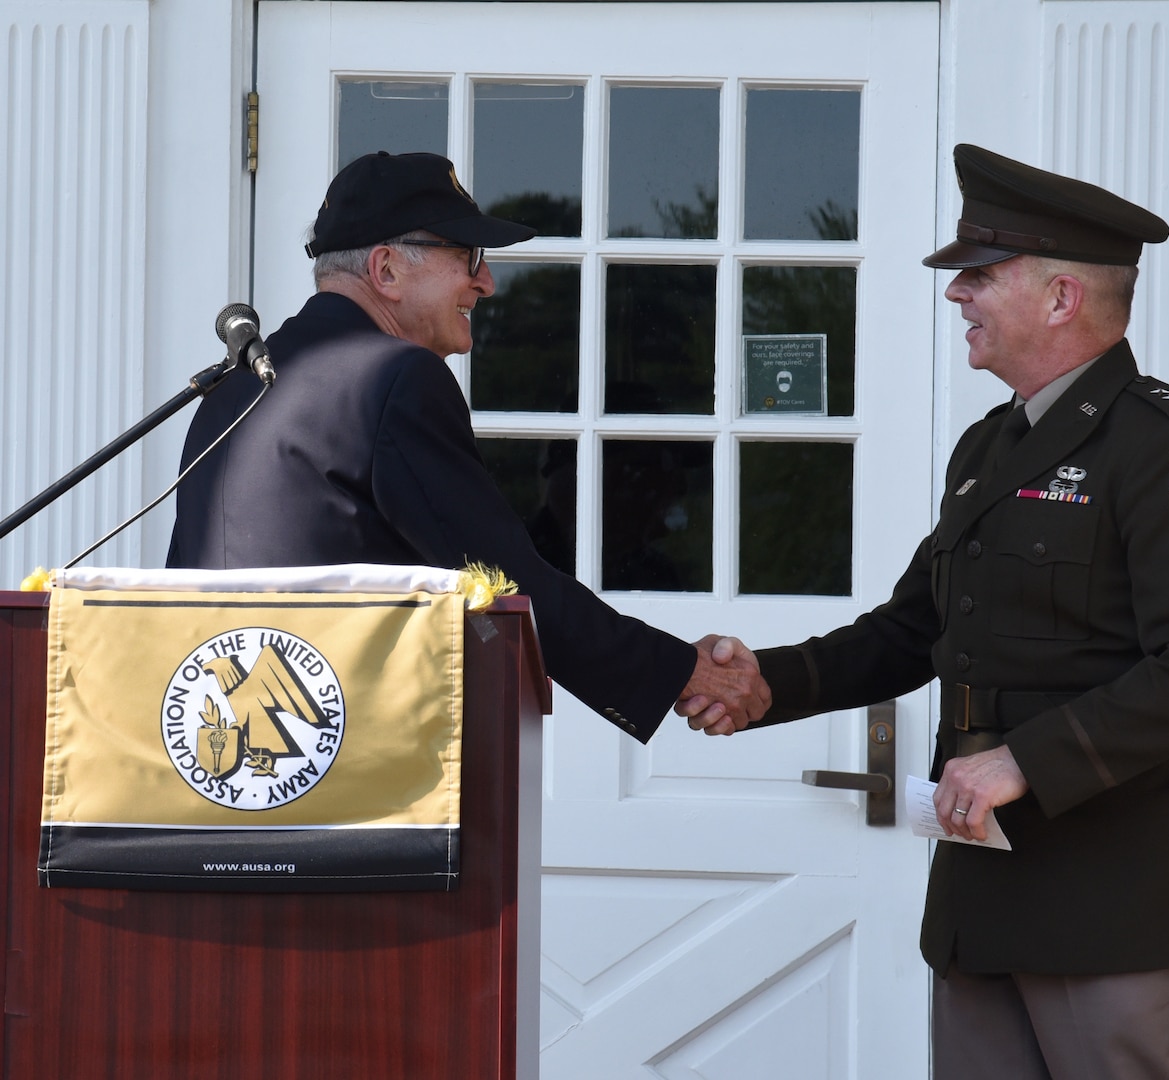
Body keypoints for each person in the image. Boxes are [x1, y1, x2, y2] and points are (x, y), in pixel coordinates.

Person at [681, 144, 1169, 1078]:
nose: (958, 296)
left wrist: (1024, 762)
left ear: (1062, 297)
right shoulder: (991, 446)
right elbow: (914, 627)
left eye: (981, 276)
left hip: (1114, 900)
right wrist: (767, 683)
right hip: (985, 892)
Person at [167, 150, 767, 741]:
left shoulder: (231, 383)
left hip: (221, 752)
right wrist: (681, 674)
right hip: (346, 763)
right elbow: (500, 575)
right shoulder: (394, 375)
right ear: (386, 271)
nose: (487, 281)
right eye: (467, 256)